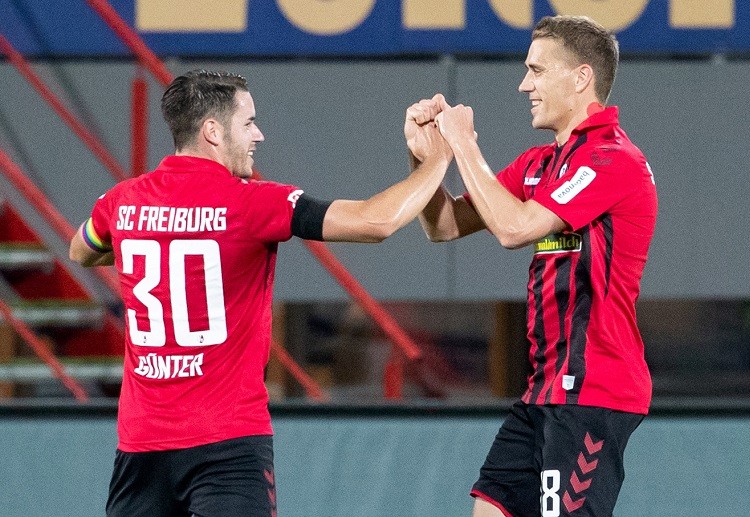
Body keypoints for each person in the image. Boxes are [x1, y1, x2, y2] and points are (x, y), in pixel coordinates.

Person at [69, 69, 452, 517]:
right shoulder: (252, 203)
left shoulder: (123, 202)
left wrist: (148, 242)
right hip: (228, 448)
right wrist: (438, 159)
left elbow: (82, 251)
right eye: (248, 122)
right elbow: (375, 222)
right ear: (212, 131)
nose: (259, 134)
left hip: (141, 448)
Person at [413, 15, 658, 517]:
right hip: (544, 390)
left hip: (594, 390)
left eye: (537, 70)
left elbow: (514, 229)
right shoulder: (541, 164)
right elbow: (444, 226)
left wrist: (464, 143)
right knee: (489, 510)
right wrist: (427, 162)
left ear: (581, 77)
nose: (524, 84)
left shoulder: (612, 159)